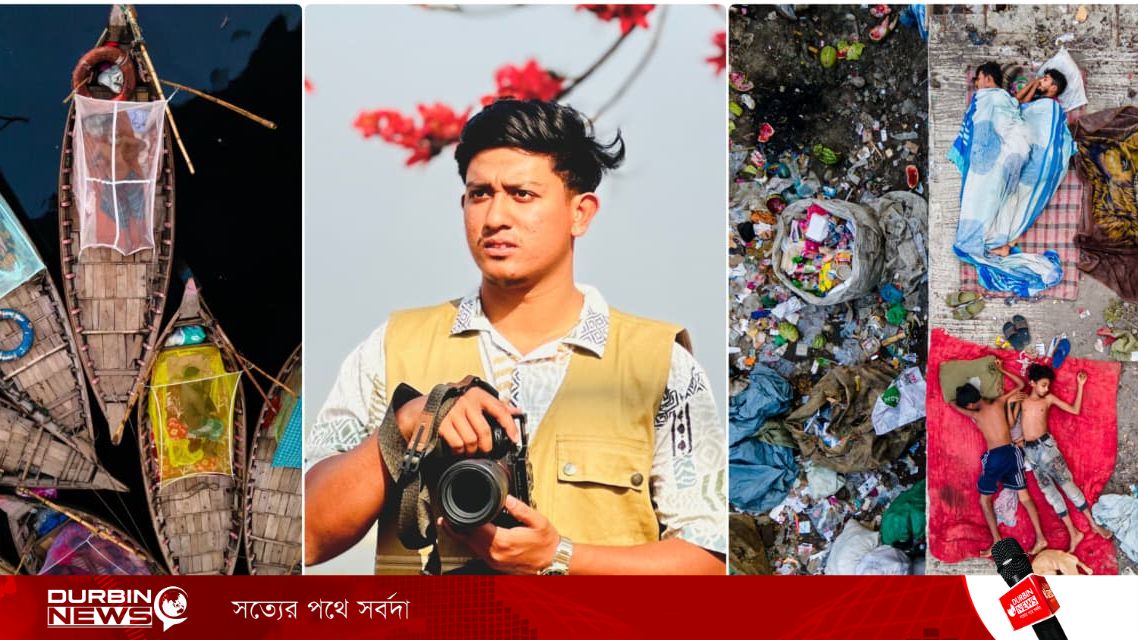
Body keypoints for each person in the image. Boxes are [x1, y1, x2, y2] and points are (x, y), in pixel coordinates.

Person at [304, 99, 726, 575]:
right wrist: (410, 423)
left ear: (580, 213)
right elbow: (305, 535)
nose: (495, 217)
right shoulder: (391, 347)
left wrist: (559, 556)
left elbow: (708, 562)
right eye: (480, 193)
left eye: (522, 194)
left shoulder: (658, 365)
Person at [949, 60, 1075, 297]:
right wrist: (1034, 84)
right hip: (1012, 148)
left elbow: (1022, 110)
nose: (976, 84)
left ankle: (991, 240)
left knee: (1011, 184)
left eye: (1047, 80)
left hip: (1025, 147)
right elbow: (1017, 105)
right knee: (1000, 189)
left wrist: (1033, 89)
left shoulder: (1051, 106)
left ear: (1055, 88)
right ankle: (993, 240)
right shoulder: (1020, 100)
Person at [1008, 364, 1113, 552]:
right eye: (1043, 385)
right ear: (1032, 383)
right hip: (1030, 453)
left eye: (1047, 385)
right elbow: (1012, 423)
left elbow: (1074, 410)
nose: (1046, 389)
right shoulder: (1023, 400)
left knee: (1068, 485)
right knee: (1051, 494)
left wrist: (1080, 385)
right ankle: (1073, 532)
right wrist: (1011, 407)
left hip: (1046, 448)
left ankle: (1093, 524)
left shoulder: (1048, 399)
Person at [947, 363, 1047, 557]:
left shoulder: (974, 413)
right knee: (1024, 497)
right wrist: (1000, 370)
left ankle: (996, 540)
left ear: (969, 405)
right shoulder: (999, 402)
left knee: (985, 501)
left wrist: (956, 396)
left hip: (996, 458)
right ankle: (1041, 537)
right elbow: (1019, 384)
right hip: (1013, 452)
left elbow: (951, 404)